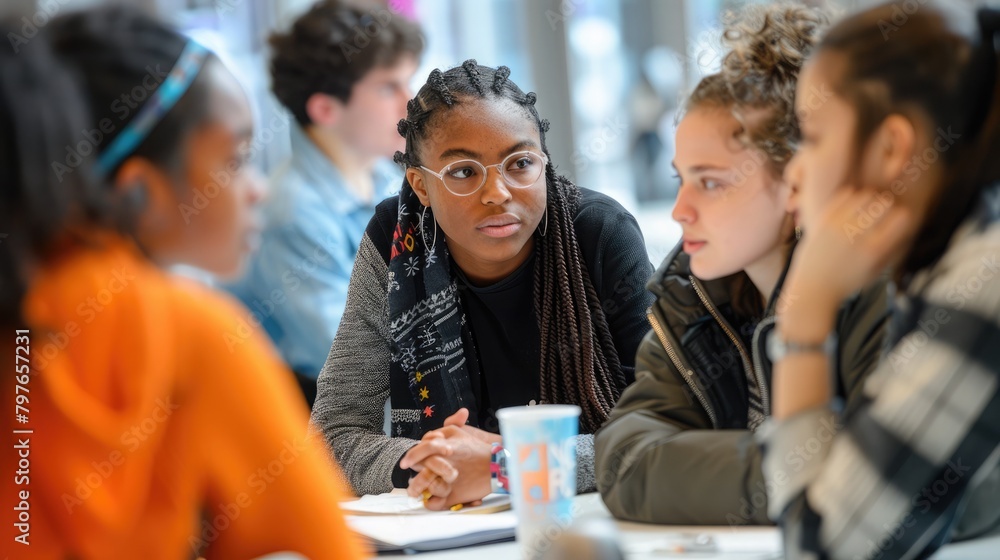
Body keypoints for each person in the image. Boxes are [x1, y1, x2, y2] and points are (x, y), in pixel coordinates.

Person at [0, 8, 365, 558]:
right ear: (137, 192)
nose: (258, 189)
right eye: (236, 158)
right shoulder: (196, 334)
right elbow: (328, 549)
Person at [309, 60, 655, 509]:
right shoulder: (395, 243)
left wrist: (503, 464)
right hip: (456, 530)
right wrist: (431, 461)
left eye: (521, 163)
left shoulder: (600, 233)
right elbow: (330, 438)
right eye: (463, 172)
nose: (497, 193)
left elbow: (667, 428)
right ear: (420, 186)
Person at [594, 3, 889, 526]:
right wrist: (799, 479)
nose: (681, 209)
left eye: (711, 182)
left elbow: (884, 484)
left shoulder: (882, 288)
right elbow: (623, 460)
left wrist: (706, 474)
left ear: (799, 182)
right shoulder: (692, 288)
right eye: (680, 178)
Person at [764, 3, 1000, 558]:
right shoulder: (946, 268)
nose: (793, 171)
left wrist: (804, 316)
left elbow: (824, 547)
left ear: (892, 148)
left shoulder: (983, 282)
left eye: (812, 136)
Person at [225, 0, 423, 408]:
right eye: (389, 87)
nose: (412, 102)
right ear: (325, 109)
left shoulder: (387, 180)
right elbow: (357, 366)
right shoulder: (292, 213)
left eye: (410, 81)